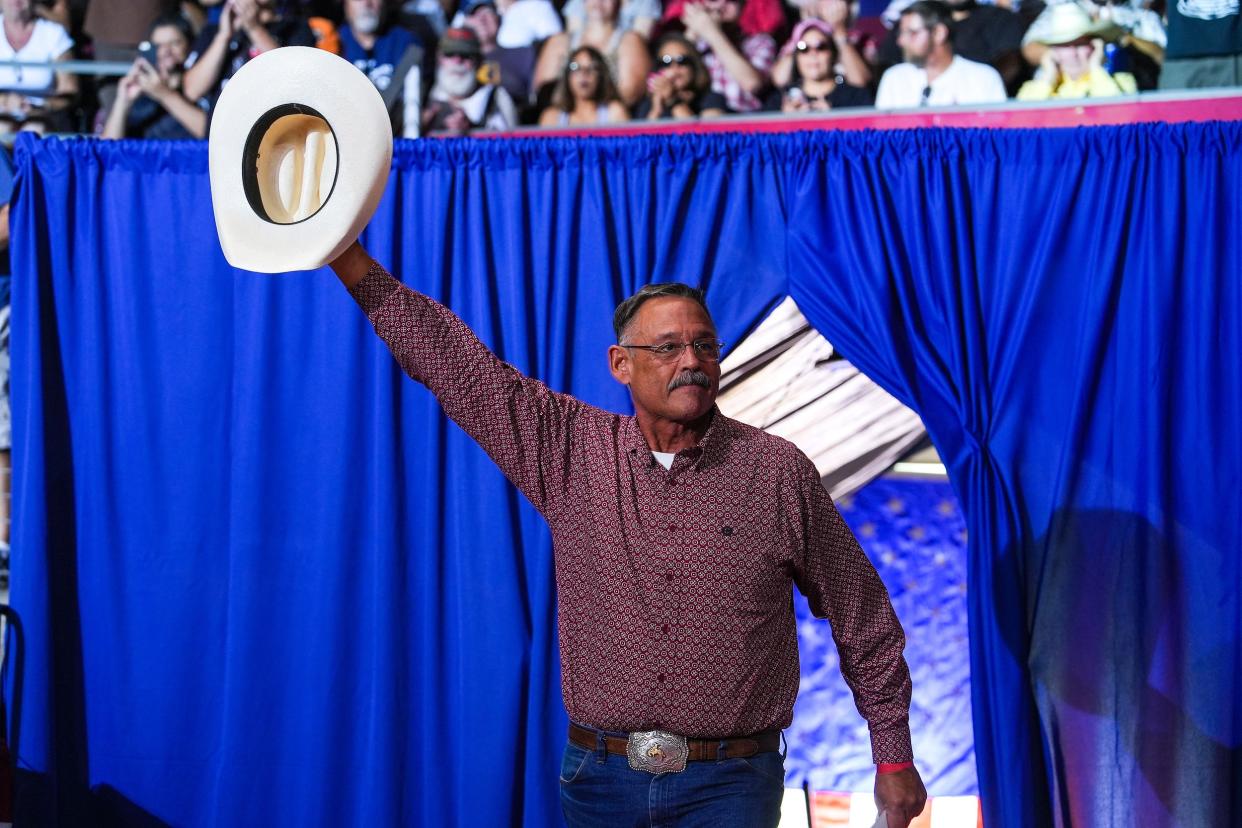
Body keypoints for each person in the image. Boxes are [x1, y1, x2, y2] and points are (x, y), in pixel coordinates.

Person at [323, 238, 928, 827]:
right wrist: (350, 262)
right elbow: (458, 366)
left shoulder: (775, 471)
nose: (691, 362)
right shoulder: (570, 449)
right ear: (621, 364)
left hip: (732, 786)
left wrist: (893, 753)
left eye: (703, 347)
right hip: (600, 782)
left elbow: (861, 612)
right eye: (667, 348)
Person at [182, 0, 316, 108]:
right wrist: (224, 36)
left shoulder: (297, 28)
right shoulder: (215, 31)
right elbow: (192, 91)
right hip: (221, 130)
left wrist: (254, 28)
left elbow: (293, 76)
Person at [875, 0, 1007, 108]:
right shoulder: (894, 79)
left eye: (912, 32)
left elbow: (995, 135)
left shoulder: (983, 79)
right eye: (901, 33)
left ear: (939, 33)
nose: (901, 41)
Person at [101, 14, 208, 139]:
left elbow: (210, 133)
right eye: (159, 45)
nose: (166, 51)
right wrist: (122, 101)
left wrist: (164, 94)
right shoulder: (140, 94)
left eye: (175, 43)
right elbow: (109, 147)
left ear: (189, 46)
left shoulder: (201, 87)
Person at [533, 0, 651, 107]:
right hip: (563, 119)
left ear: (619, 3)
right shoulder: (558, 42)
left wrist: (592, 110)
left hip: (610, 121)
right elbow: (544, 93)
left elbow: (631, 93)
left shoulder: (630, 41)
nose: (598, 2)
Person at [338, 0, 424, 137]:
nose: (367, 3)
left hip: (395, 139)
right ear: (345, 4)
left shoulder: (406, 42)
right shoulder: (332, 43)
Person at [1016, 3, 1137, 99]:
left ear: (1095, 47)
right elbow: (1023, 121)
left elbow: (1119, 114)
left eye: (1080, 45)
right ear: (1054, 52)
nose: (1073, 53)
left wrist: (1096, 67)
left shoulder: (1122, 81)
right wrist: (1048, 77)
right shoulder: (1034, 89)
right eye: (1065, 46)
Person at [677, 0, 777, 113]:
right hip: (695, 120)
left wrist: (713, 33)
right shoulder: (698, 42)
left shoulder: (760, 42)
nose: (721, 4)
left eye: (731, 0)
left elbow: (752, 84)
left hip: (740, 122)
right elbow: (670, 74)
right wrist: (691, 34)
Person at [0, 0, 77, 134]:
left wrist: (41, 106)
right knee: (2, 127)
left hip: (43, 115)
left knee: (34, 129)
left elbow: (70, 89)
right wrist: (5, 101)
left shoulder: (54, 33)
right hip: (2, 112)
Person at [422, 26, 518, 134]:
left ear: (479, 62)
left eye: (465, 55)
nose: (457, 61)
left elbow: (509, 145)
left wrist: (472, 131)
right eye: (449, 54)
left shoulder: (497, 98)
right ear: (438, 58)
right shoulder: (421, 96)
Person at [766, 18, 874, 112]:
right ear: (796, 56)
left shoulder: (854, 97)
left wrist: (833, 120)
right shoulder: (780, 101)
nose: (813, 54)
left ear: (833, 53)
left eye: (821, 47)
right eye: (804, 48)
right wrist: (786, 122)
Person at [633, 32, 728, 118]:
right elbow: (647, 135)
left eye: (682, 61)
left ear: (694, 66)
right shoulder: (648, 103)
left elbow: (703, 135)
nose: (675, 67)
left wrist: (672, 101)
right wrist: (657, 108)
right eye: (666, 62)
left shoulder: (712, 99)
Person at [538, 44, 631, 125]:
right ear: (567, 76)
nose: (584, 73)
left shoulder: (615, 114)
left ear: (602, 76)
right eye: (576, 67)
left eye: (592, 67)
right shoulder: (551, 118)